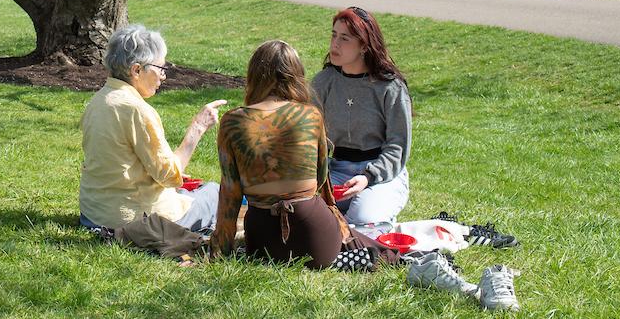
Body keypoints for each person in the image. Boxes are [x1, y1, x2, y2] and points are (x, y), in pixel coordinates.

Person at [211, 40, 397, 269]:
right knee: (370, 247)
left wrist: (219, 250)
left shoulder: (233, 121)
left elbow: (230, 193)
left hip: (262, 244)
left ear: (254, 75)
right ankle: (393, 256)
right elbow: (321, 181)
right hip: (316, 241)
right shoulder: (310, 115)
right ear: (296, 75)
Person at [79, 24, 226, 232]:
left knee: (188, 193)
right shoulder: (136, 110)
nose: (163, 77)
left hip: (93, 214)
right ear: (136, 70)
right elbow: (169, 176)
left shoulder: (98, 101)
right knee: (214, 192)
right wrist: (198, 128)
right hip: (133, 221)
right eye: (161, 69)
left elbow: (118, 161)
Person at [312, 6, 412, 233]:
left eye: (344, 38)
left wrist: (368, 177)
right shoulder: (323, 82)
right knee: (306, 209)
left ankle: (376, 218)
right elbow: (308, 136)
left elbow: (398, 146)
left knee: (361, 217)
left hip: (380, 174)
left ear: (364, 46)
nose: (335, 44)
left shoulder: (390, 87)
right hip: (335, 171)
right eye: (334, 35)